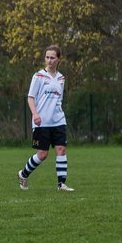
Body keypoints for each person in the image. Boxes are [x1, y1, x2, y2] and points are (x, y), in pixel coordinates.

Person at [19, 45, 74, 192]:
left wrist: (58, 113)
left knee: (61, 149)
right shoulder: (38, 76)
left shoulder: (61, 78)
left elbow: (59, 99)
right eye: (47, 57)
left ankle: (61, 184)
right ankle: (23, 174)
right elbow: (30, 98)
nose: (49, 60)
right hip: (41, 121)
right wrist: (35, 114)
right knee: (42, 154)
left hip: (58, 120)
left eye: (52, 58)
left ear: (58, 59)